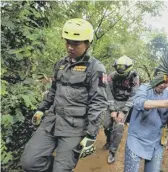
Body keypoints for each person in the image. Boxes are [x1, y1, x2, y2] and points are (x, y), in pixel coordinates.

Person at [21, 18, 108, 172]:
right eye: (67, 42)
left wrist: (91, 135)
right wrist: (42, 109)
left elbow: (98, 102)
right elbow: (53, 90)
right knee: (30, 162)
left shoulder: (96, 68)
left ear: (88, 44)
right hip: (52, 122)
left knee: (62, 169)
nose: (69, 47)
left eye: (75, 43)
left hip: (74, 128)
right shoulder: (61, 64)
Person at [124, 69, 168, 172]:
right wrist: (165, 103)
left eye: (166, 82)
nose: (162, 85)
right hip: (137, 139)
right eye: (160, 80)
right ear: (154, 77)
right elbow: (139, 103)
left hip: (156, 141)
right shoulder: (144, 87)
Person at [103, 55, 139, 164]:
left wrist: (123, 112)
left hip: (125, 103)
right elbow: (108, 92)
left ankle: (112, 152)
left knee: (118, 127)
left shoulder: (135, 77)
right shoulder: (112, 76)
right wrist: (113, 109)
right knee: (106, 125)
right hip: (112, 101)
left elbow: (134, 95)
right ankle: (109, 140)